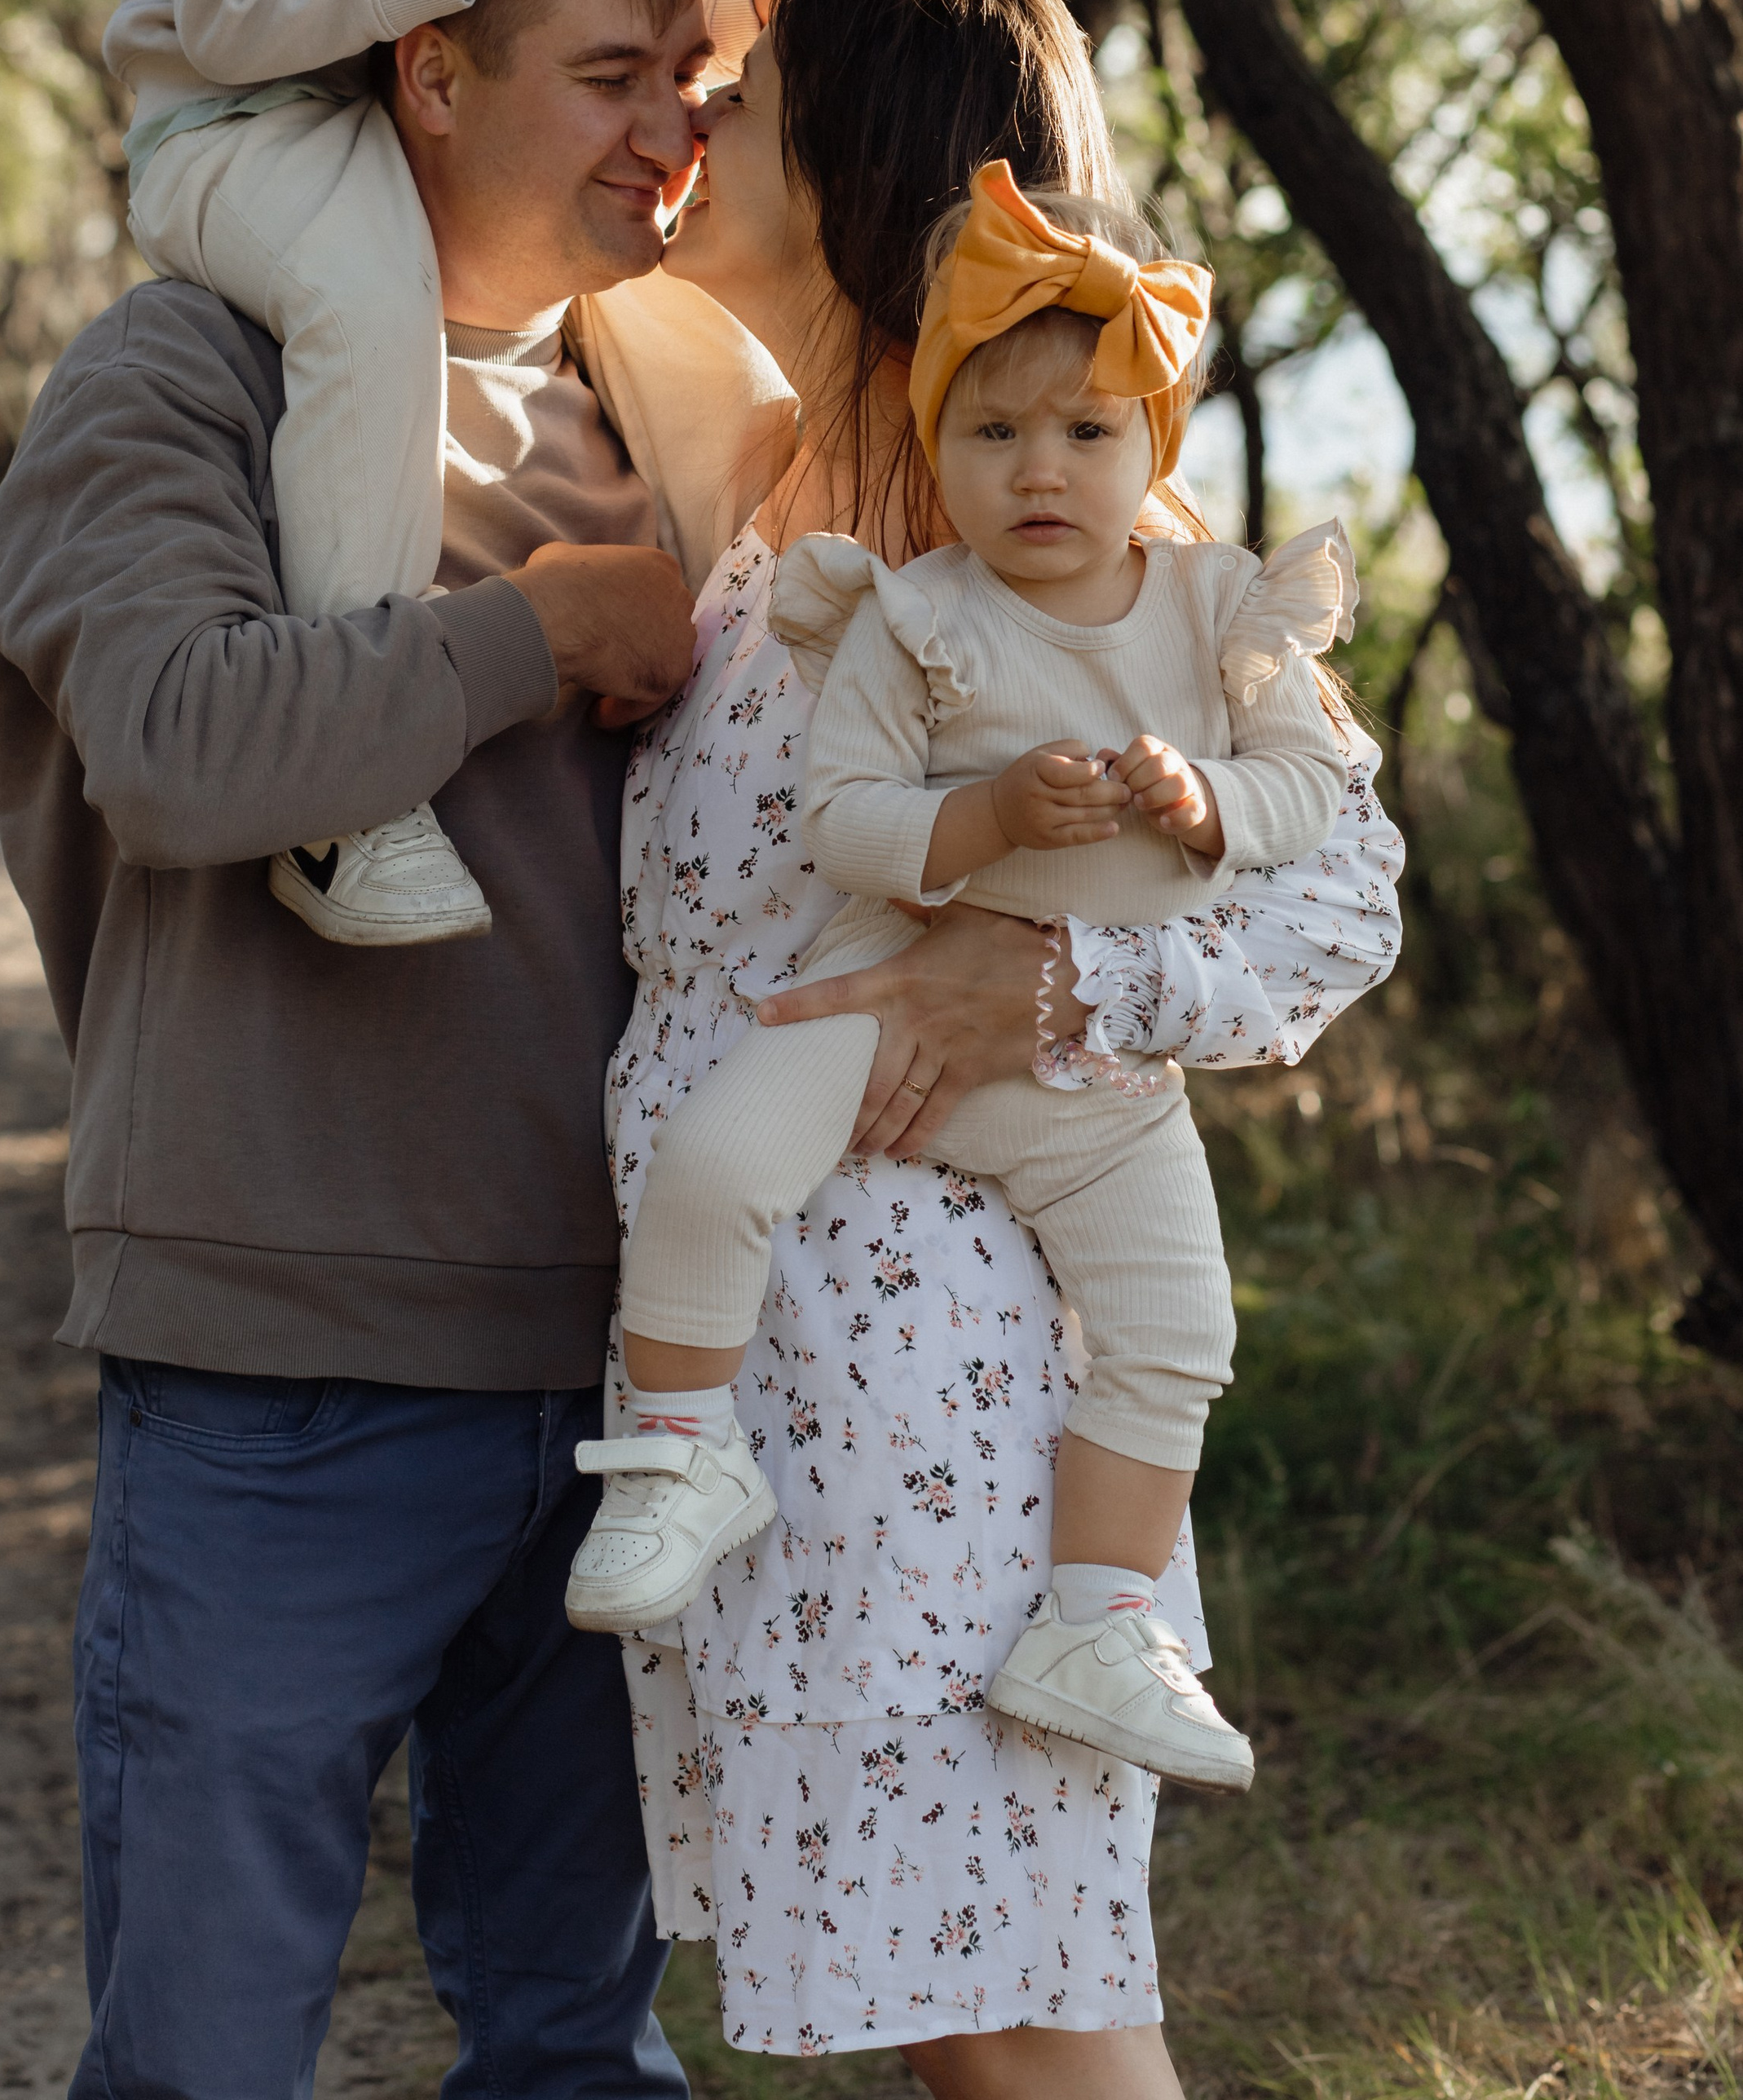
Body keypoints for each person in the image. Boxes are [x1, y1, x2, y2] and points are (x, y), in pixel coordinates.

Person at [0, 0, 774, 2100]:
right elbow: (178, 745)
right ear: (428, 69)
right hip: (283, 1370)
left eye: (687, 76)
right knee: (206, 2057)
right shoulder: (182, 374)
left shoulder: (670, 398)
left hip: (629, 1382)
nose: (667, 128)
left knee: (579, 2047)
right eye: (606, 73)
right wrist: (538, 633)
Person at [590, 0, 1405, 2077]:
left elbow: (1342, 900)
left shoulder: (1083, 553)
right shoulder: (764, 490)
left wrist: (1048, 982)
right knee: (952, 2031)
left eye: (741, 92)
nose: (689, 115)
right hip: (767, 1396)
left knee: (1031, 2037)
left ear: (854, 164)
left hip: (937, 1405)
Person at [570, 168, 1360, 1802]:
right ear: (935, 438)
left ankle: (1098, 1620)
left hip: (1095, 1085)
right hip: (884, 1001)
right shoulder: (915, 615)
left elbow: (1309, 797)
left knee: (1176, 1332)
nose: (1038, 469)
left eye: (1085, 430)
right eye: (992, 432)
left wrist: (1209, 801)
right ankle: (679, 1452)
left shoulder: (1218, 608)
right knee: (715, 1164)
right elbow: (844, 821)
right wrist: (986, 817)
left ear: (1155, 440)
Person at [112, 0, 844, 947]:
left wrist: (778, 3)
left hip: (381, 126)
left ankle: (779, 659)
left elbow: (600, 1)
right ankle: (346, 806)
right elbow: (225, 9)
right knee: (368, 305)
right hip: (239, 129)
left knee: (683, 338)